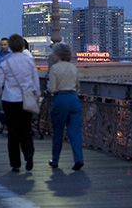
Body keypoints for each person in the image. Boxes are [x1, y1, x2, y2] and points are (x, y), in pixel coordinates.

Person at [0, 34, 39, 172]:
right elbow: (35, 81)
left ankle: (15, 164)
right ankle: (29, 152)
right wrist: (36, 95)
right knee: (25, 129)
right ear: (22, 46)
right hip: (26, 99)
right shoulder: (29, 62)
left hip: (10, 99)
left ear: (11, 47)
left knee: (12, 132)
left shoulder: (6, 62)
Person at [47, 42, 84, 170]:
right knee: (75, 131)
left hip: (60, 98)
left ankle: (55, 160)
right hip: (73, 98)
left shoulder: (55, 68)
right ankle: (78, 158)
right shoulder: (73, 68)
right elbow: (78, 86)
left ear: (57, 54)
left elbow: (52, 89)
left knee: (58, 131)